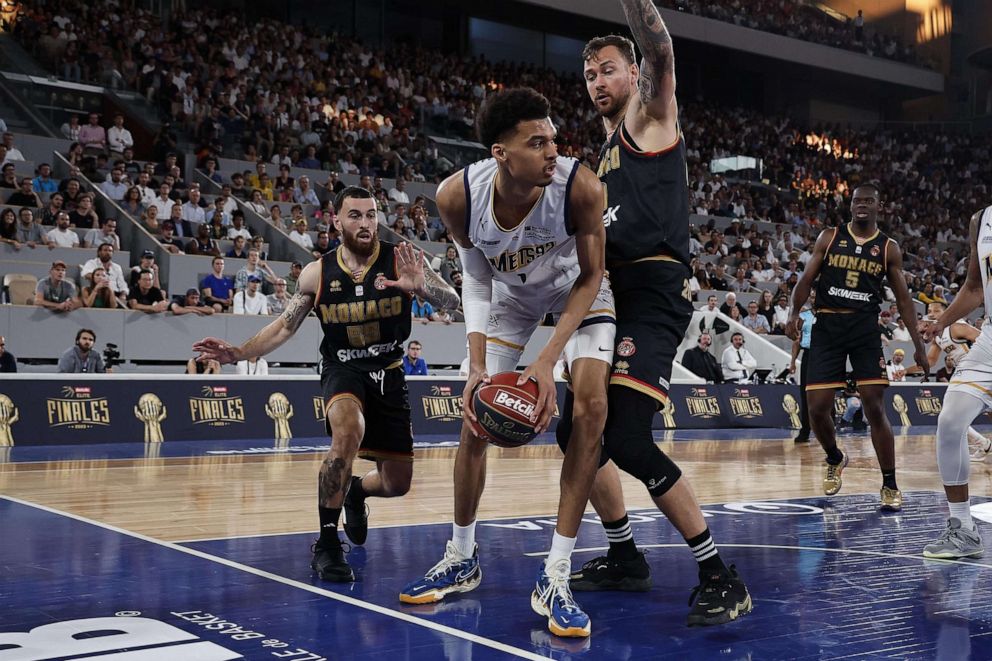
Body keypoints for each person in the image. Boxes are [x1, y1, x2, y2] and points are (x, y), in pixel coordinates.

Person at [399, 87, 617, 639]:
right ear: (500, 152)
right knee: (474, 419)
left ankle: (556, 573)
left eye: (554, 139)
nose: (553, 150)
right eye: (537, 141)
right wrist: (476, 365)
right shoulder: (457, 197)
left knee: (590, 408)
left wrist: (546, 363)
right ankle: (461, 555)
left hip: (577, 294)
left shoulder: (581, 186)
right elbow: (475, 277)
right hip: (512, 301)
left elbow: (592, 278)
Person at [574, 7, 750, 627]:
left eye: (609, 69)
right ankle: (624, 556)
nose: (597, 81)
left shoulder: (649, 119)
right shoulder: (598, 161)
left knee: (625, 438)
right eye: (589, 73)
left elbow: (663, 52)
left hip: (654, 291)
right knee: (580, 432)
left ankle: (718, 573)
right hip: (614, 297)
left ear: (633, 74)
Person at [194, 186, 458, 585]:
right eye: (355, 215)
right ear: (336, 221)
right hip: (343, 368)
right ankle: (327, 544)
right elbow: (284, 326)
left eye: (371, 215)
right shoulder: (318, 272)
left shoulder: (401, 258)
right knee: (347, 434)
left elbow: (452, 301)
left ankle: (356, 492)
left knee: (397, 484)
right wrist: (239, 353)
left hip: (389, 370)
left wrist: (424, 289)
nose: (366, 223)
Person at [787, 184, 928, 512]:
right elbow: (805, 279)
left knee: (873, 406)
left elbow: (904, 300)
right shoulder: (829, 237)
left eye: (868, 201)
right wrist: (794, 312)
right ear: (850, 206)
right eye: (857, 201)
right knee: (817, 407)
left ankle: (890, 482)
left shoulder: (889, 248)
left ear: (879, 206)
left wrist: (919, 346)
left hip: (864, 329)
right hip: (828, 327)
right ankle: (835, 458)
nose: (862, 205)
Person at [921, 205, 992, 558]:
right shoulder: (980, 220)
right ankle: (963, 529)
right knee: (950, 422)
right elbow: (975, 287)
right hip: (990, 341)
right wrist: (940, 322)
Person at [789, 290, 816, 443]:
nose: (813, 298)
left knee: (826, 393)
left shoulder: (828, 314)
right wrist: (793, 361)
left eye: (815, 296)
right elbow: (797, 340)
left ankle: (829, 428)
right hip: (808, 355)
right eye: (811, 296)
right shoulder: (804, 316)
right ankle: (805, 430)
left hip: (824, 357)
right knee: (805, 394)